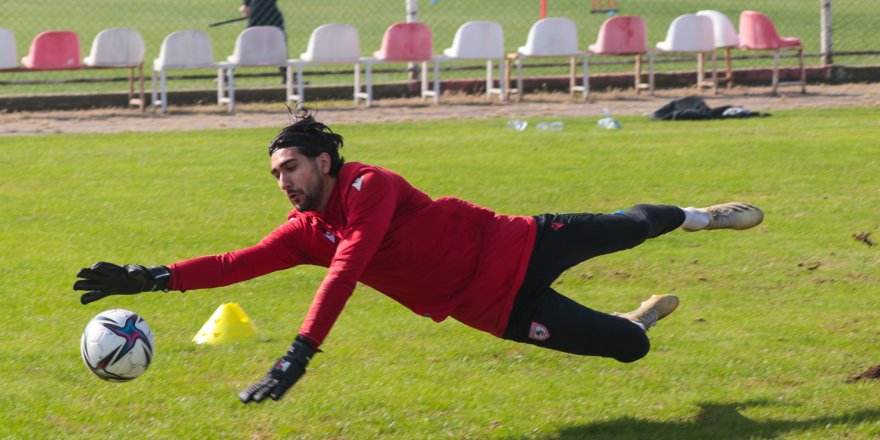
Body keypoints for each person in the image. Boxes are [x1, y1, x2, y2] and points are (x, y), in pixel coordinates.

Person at [73, 107, 764, 404]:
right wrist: (149, 278)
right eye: (275, 174)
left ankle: (704, 216)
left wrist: (299, 353)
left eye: (290, 168)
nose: (282, 182)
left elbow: (349, 268)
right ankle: (636, 319)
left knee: (630, 225)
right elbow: (234, 264)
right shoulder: (306, 231)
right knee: (626, 350)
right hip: (487, 307)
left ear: (323, 159)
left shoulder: (372, 187)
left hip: (519, 242)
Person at [239, 0, 286, 83]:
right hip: (266, 16)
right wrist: (246, 4)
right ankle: (287, 76)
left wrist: (246, 4)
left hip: (261, 15)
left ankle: (287, 76)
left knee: (245, 46)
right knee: (280, 46)